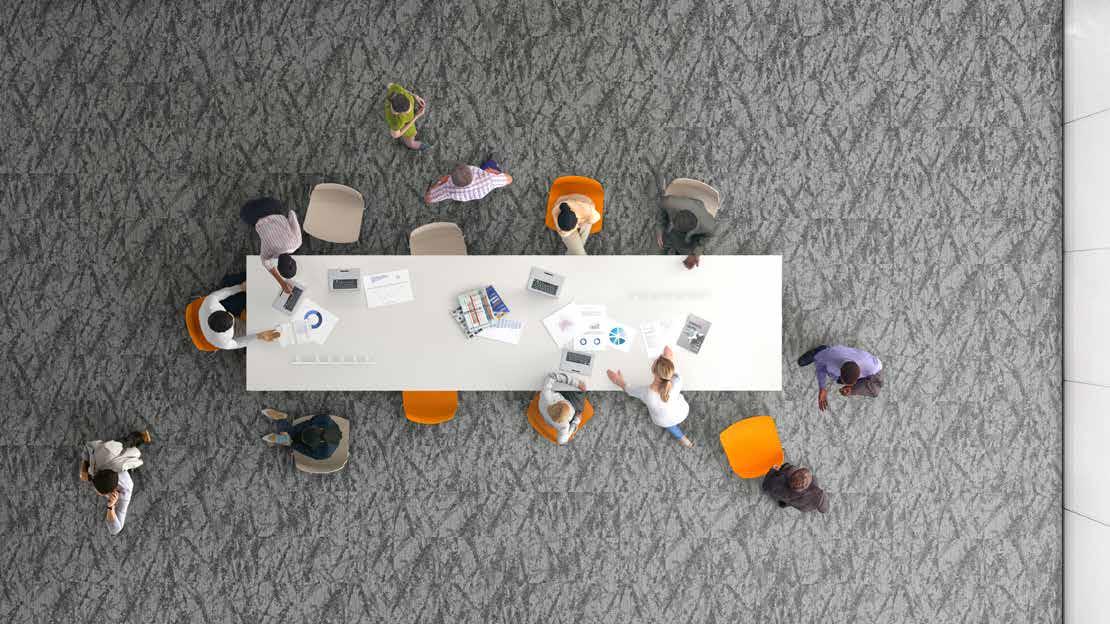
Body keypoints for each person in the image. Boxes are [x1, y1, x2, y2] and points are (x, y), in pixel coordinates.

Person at [606, 345, 693, 447]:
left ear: (653, 371)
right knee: (668, 418)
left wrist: (618, 380)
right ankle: (685, 441)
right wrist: (668, 358)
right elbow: (670, 361)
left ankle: (682, 438)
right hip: (681, 413)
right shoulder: (677, 381)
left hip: (664, 420)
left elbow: (628, 389)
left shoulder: (646, 393)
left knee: (669, 424)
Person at [79, 430, 152, 535]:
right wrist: (84, 467)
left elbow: (115, 529)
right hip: (110, 455)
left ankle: (139, 438)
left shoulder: (126, 491)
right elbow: (88, 446)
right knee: (116, 445)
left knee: (129, 445)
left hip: (123, 462)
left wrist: (111, 507)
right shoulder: (99, 461)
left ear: (113, 491)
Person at [201, 273, 281, 350]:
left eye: (230, 315)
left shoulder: (210, 302)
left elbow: (225, 292)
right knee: (257, 328)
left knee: (239, 283)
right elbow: (238, 343)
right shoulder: (223, 342)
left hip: (217, 318)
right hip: (234, 330)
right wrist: (259, 336)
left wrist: (241, 287)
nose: (233, 316)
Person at [239, 196, 301, 293]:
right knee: (244, 213)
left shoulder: (297, 242)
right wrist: (281, 282)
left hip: (271, 205)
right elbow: (265, 263)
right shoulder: (269, 252)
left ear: (293, 260)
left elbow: (291, 213)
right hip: (254, 213)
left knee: (278, 206)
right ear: (278, 265)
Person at [797, 345, 883, 411]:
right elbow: (820, 368)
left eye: (853, 383)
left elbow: (879, 368)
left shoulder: (872, 366)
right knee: (830, 371)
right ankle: (821, 349)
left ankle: (850, 386)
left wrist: (852, 389)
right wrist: (822, 387)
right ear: (840, 371)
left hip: (865, 368)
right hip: (829, 355)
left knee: (875, 392)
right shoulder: (829, 356)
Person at [656, 191, 717, 270]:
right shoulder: (668, 202)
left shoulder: (709, 227)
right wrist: (659, 228)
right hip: (681, 206)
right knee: (664, 239)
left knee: (688, 251)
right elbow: (661, 208)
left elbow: (705, 238)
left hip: (699, 216)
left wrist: (696, 253)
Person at [260, 409, 342, 460]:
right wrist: (290, 441)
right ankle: (284, 433)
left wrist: (292, 444)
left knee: (293, 439)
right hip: (308, 427)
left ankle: (282, 420)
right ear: (320, 428)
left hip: (311, 443)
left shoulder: (323, 453)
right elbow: (308, 423)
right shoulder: (324, 419)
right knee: (292, 434)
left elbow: (305, 450)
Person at [424, 157, 513, 204]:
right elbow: (510, 179)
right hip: (481, 187)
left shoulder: (450, 189)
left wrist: (435, 186)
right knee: (491, 164)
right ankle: (493, 168)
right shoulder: (490, 179)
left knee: (435, 191)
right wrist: (493, 172)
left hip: (467, 192)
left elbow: (428, 199)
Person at [538, 372, 588, 445]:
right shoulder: (564, 426)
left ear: (558, 403)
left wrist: (576, 383)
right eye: (569, 415)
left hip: (549, 404)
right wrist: (575, 422)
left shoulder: (546, 396)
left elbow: (551, 376)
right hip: (563, 404)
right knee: (580, 405)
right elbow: (561, 441)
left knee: (576, 387)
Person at [761, 463, 829, 513]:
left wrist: (772, 470)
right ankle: (784, 504)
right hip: (801, 505)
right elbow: (824, 507)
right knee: (790, 502)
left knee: (787, 467)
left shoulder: (778, 484)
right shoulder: (818, 494)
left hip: (785, 494)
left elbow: (766, 485)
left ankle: (784, 502)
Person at [384, 83, 430, 151]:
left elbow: (390, 85)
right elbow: (395, 135)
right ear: (399, 113)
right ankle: (413, 145)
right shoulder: (396, 121)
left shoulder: (397, 90)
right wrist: (416, 117)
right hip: (407, 124)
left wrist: (416, 97)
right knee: (410, 142)